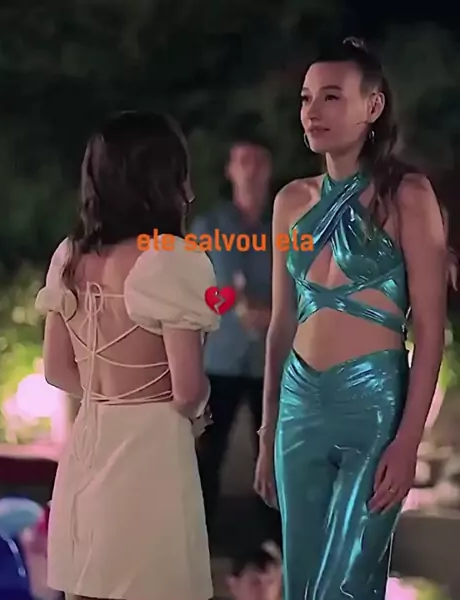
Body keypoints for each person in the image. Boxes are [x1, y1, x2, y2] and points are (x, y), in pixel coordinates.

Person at [254, 37, 453, 600]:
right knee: (301, 582)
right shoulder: (290, 202)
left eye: (331, 97)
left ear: (373, 106)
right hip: (298, 405)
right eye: (306, 98)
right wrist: (267, 432)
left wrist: (409, 441)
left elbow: (431, 331)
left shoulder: (407, 195)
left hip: (372, 406)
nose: (312, 111)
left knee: (347, 582)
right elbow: (281, 323)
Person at [35, 111, 219, 600]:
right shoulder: (171, 258)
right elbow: (187, 389)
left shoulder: (70, 256)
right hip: (151, 455)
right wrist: (199, 408)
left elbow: (57, 370)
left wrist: (111, 396)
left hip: (89, 448)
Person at [192, 134, 280, 545]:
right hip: (220, 359)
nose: (250, 170)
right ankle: (196, 546)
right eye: (242, 160)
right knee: (206, 455)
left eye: (258, 161)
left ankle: (274, 551)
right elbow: (193, 290)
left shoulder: (287, 225)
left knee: (274, 458)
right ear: (230, 169)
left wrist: (273, 312)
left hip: (271, 360)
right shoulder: (208, 227)